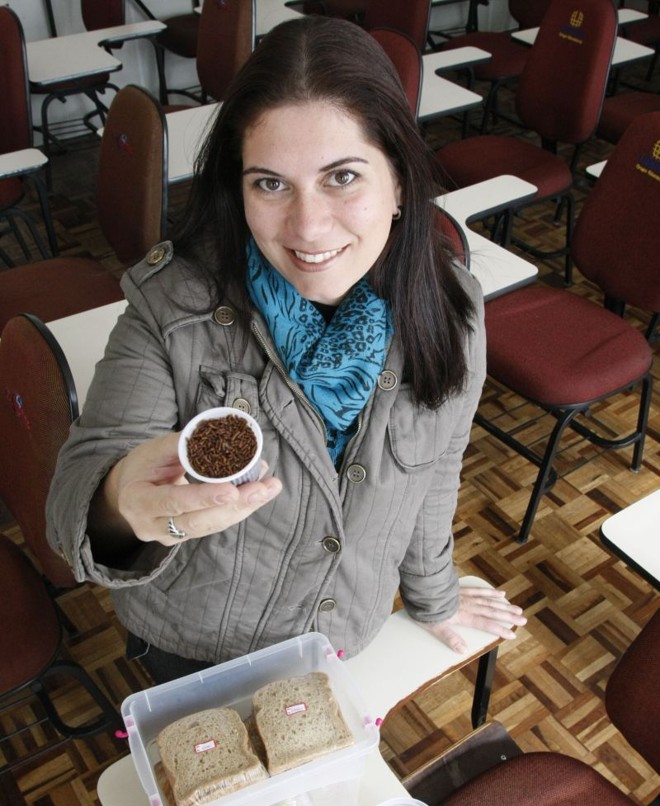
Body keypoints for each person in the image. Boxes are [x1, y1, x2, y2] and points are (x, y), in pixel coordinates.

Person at [46, 16, 525, 685]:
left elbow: (435, 473)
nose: (306, 227)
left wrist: (435, 597)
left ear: (399, 183)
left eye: (343, 177)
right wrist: (120, 497)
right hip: (194, 646)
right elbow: (76, 488)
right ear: (238, 187)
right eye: (270, 183)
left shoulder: (455, 314)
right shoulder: (174, 303)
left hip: (341, 638)